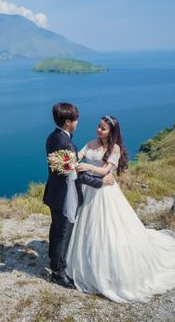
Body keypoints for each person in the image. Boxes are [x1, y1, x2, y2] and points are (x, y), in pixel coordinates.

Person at [65, 115, 175, 302]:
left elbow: (105, 171)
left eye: (103, 128)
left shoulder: (114, 148)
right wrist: (72, 160)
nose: (99, 130)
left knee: (109, 227)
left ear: (112, 132)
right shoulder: (91, 143)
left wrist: (86, 167)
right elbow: (79, 156)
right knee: (86, 226)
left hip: (104, 191)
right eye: (98, 127)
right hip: (88, 189)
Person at [43, 103, 115, 288]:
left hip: (54, 192)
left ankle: (53, 257)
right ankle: (58, 272)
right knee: (63, 232)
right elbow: (76, 174)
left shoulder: (52, 137)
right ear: (68, 122)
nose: (77, 122)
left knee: (56, 227)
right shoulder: (67, 144)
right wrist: (100, 182)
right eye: (76, 119)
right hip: (65, 196)